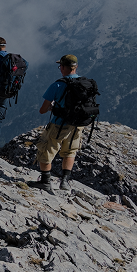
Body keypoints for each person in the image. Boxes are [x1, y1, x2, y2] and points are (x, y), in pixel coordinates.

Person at [34, 55, 88, 190]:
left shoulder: (57, 85)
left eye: (60, 67)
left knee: (46, 150)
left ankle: (45, 182)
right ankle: (64, 181)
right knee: (70, 152)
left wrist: (53, 107)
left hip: (59, 124)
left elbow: (42, 110)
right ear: (75, 67)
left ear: (63, 67)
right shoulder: (85, 83)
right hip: (77, 125)